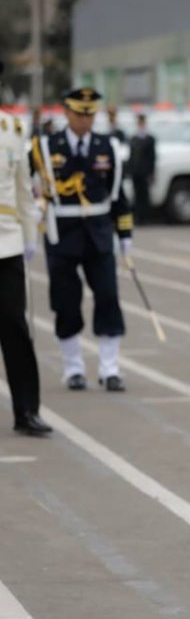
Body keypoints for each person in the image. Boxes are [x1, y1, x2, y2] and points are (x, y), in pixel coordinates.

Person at [32, 88, 133, 391]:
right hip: (62, 234)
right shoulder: (46, 146)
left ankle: (110, 368)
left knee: (108, 297)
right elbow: (23, 184)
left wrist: (125, 235)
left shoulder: (107, 146)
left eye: (90, 114)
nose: (85, 120)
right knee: (65, 303)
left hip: (98, 234)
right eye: (79, 114)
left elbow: (118, 195)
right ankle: (73, 368)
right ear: (66, 113)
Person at [0, 62, 51, 435]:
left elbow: (22, 188)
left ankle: (26, 410)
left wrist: (31, 236)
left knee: (15, 327)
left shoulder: (12, 130)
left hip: (7, 242)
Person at [127, 114, 156, 225]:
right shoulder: (133, 138)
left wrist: (151, 172)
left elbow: (152, 157)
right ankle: (138, 217)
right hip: (135, 171)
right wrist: (129, 170)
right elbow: (131, 156)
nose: (140, 125)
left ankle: (145, 217)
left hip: (145, 172)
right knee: (136, 195)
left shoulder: (150, 139)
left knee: (145, 195)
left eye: (142, 123)